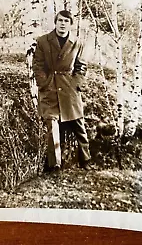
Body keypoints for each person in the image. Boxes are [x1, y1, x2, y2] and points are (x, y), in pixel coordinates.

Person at [32, 10, 91, 173]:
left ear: (70, 24)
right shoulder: (43, 41)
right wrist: (43, 83)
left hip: (69, 88)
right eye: (60, 20)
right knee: (52, 126)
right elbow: (37, 64)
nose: (62, 23)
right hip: (50, 89)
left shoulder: (78, 43)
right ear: (55, 22)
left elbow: (81, 66)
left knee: (79, 125)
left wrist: (76, 84)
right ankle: (55, 165)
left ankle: (85, 160)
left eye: (66, 21)